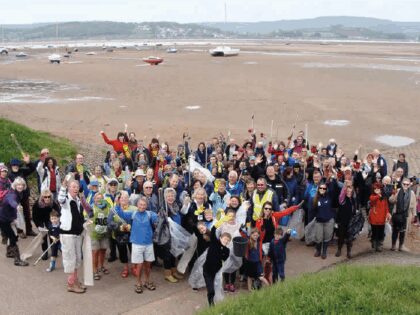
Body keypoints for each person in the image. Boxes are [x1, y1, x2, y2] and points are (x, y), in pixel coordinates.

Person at [115, 196, 158, 294]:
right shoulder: (132, 214)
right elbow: (120, 213)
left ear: (147, 205)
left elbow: (159, 218)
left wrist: (162, 215)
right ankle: (138, 283)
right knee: (139, 266)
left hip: (148, 244)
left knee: (148, 266)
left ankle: (147, 281)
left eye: (144, 205)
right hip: (136, 244)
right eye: (140, 205)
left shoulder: (150, 214)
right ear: (137, 205)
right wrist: (118, 204)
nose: (142, 207)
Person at [58, 179, 89, 294]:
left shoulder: (78, 200)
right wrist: (63, 186)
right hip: (68, 234)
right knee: (70, 259)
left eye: (77, 187)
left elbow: (80, 216)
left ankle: (75, 280)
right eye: (73, 186)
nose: (76, 188)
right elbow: (60, 199)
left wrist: (85, 222)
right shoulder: (66, 200)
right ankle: (71, 284)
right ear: (69, 188)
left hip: (77, 233)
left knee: (76, 259)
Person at [0, 177, 29, 266]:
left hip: (7, 217)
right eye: (18, 185)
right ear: (15, 185)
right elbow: (11, 201)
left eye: (22, 185)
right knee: (13, 237)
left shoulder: (19, 193)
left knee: (12, 236)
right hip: (2, 218)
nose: (20, 186)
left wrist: (14, 218)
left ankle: (9, 252)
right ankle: (17, 260)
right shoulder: (12, 194)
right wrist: (16, 206)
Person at [107, 191, 137, 278]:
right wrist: (118, 227)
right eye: (121, 198)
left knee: (133, 252)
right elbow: (109, 222)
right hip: (119, 235)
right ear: (118, 200)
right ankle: (125, 268)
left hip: (132, 234)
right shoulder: (113, 209)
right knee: (122, 252)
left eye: (125, 198)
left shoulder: (134, 209)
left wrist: (131, 226)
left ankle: (134, 267)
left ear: (129, 199)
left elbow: (137, 221)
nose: (123, 199)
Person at [8, 156, 37, 237]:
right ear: (11, 166)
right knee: (16, 214)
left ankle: (29, 230)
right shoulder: (9, 175)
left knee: (27, 213)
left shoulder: (22, 171)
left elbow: (33, 168)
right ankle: (19, 231)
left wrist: (28, 162)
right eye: (14, 165)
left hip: (24, 195)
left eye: (17, 165)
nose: (15, 166)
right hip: (15, 197)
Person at [203, 226, 231, 306]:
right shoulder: (214, 243)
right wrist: (217, 224)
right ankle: (211, 304)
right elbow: (212, 231)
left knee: (216, 287)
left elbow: (224, 259)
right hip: (207, 271)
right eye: (225, 239)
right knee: (211, 290)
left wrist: (222, 250)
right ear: (220, 238)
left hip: (216, 271)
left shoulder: (227, 250)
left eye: (228, 240)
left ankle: (215, 298)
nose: (226, 241)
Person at [32, 189, 61, 260]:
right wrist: (39, 226)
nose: (47, 198)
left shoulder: (52, 203)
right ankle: (45, 252)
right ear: (42, 197)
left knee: (52, 234)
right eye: (45, 197)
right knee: (44, 235)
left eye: (48, 197)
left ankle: (54, 251)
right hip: (40, 220)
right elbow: (34, 217)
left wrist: (56, 219)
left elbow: (58, 211)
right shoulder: (37, 204)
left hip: (49, 219)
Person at [389, 178, 417, 251]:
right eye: (404, 184)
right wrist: (394, 194)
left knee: (403, 231)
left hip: (406, 215)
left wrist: (414, 215)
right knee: (395, 230)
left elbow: (414, 205)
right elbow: (391, 200)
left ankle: (401, 245)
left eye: (407, 184)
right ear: (402, 184)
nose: (406, 185)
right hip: (397, 214)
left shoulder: (412, 193)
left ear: (409, 185)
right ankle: (393, 245)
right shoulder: (397, 191)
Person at [312, 183, 336, 259]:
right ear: (318, 189)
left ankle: (324, 251)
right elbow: (313, 210)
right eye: (320, 188)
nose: (322, 190)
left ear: (326, 190)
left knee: (327, 237)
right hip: (319, 221)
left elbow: (333, 188)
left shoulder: (329, 197)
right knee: (318, 238)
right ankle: (318, 250)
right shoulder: (315, 198)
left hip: (328, 221)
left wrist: (332, 180)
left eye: (324, 188)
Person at [90, 193, 111, 280]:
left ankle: (101, 266)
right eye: (97, 198)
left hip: (104, 233)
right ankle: (95, 270)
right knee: (95, 253)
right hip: (94, 234)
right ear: (94, 199)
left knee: (103, 251)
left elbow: (112, 217)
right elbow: (86, 217)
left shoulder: (107, 208)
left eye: (101, 198)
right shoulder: (91, 207)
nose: (99, 200)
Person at [335, 184, 358, 258]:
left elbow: (354, 210)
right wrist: (346, 185)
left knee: (349, 238)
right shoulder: (342, 199)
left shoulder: (353, 200)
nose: (349, 193)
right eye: (347, 191)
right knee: (341, 237)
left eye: (350, 192)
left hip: (350, 222)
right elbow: (341, 194)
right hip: (342, 221)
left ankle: (349, 251)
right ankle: (339, 249)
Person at [369, 183, 391, 252]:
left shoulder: (384, 198)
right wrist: (378, 195)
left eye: (378, 189)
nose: (376, 190)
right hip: (374, 218)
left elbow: (386, 207)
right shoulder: (372, 196)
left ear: (381, 189)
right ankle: (374, 243)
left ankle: (379, 245)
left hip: (382, 218)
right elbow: (372, 201)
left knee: (381, 232)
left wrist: (387, 213)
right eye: (375, 189)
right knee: (374, 232)